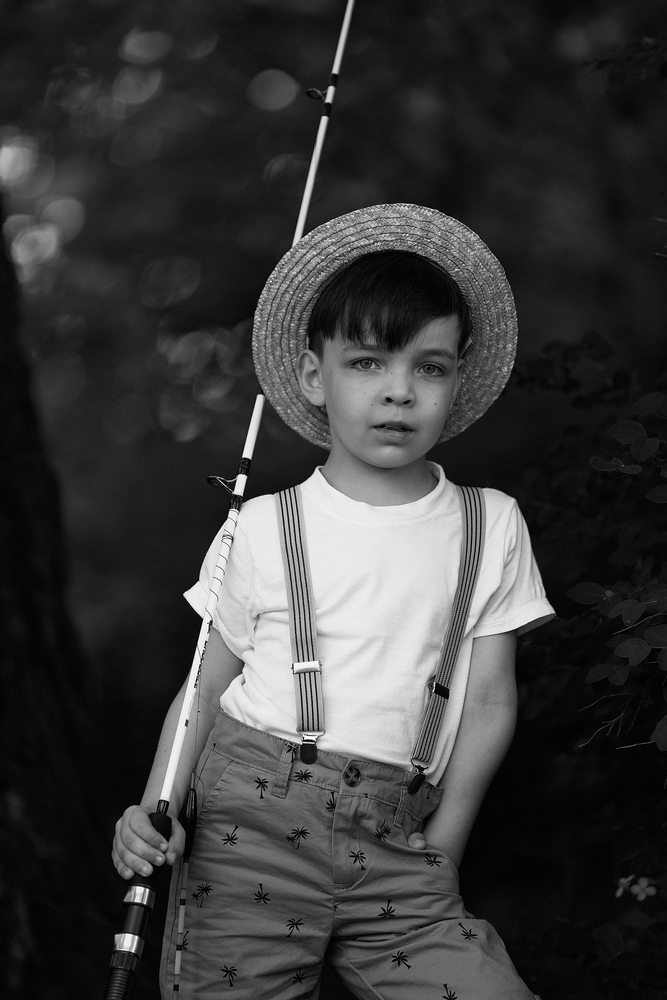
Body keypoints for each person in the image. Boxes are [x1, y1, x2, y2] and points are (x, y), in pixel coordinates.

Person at [113, 204, 555, 999]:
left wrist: (443, 850)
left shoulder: (489, 523)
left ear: (457, 381)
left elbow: (489, 702)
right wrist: (154, 809)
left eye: (429, 367)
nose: (398, 392)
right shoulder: (263, 524)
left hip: (401, 842)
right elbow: (205, 687)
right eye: (367, 363)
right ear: (315, 376)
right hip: (245, 827)